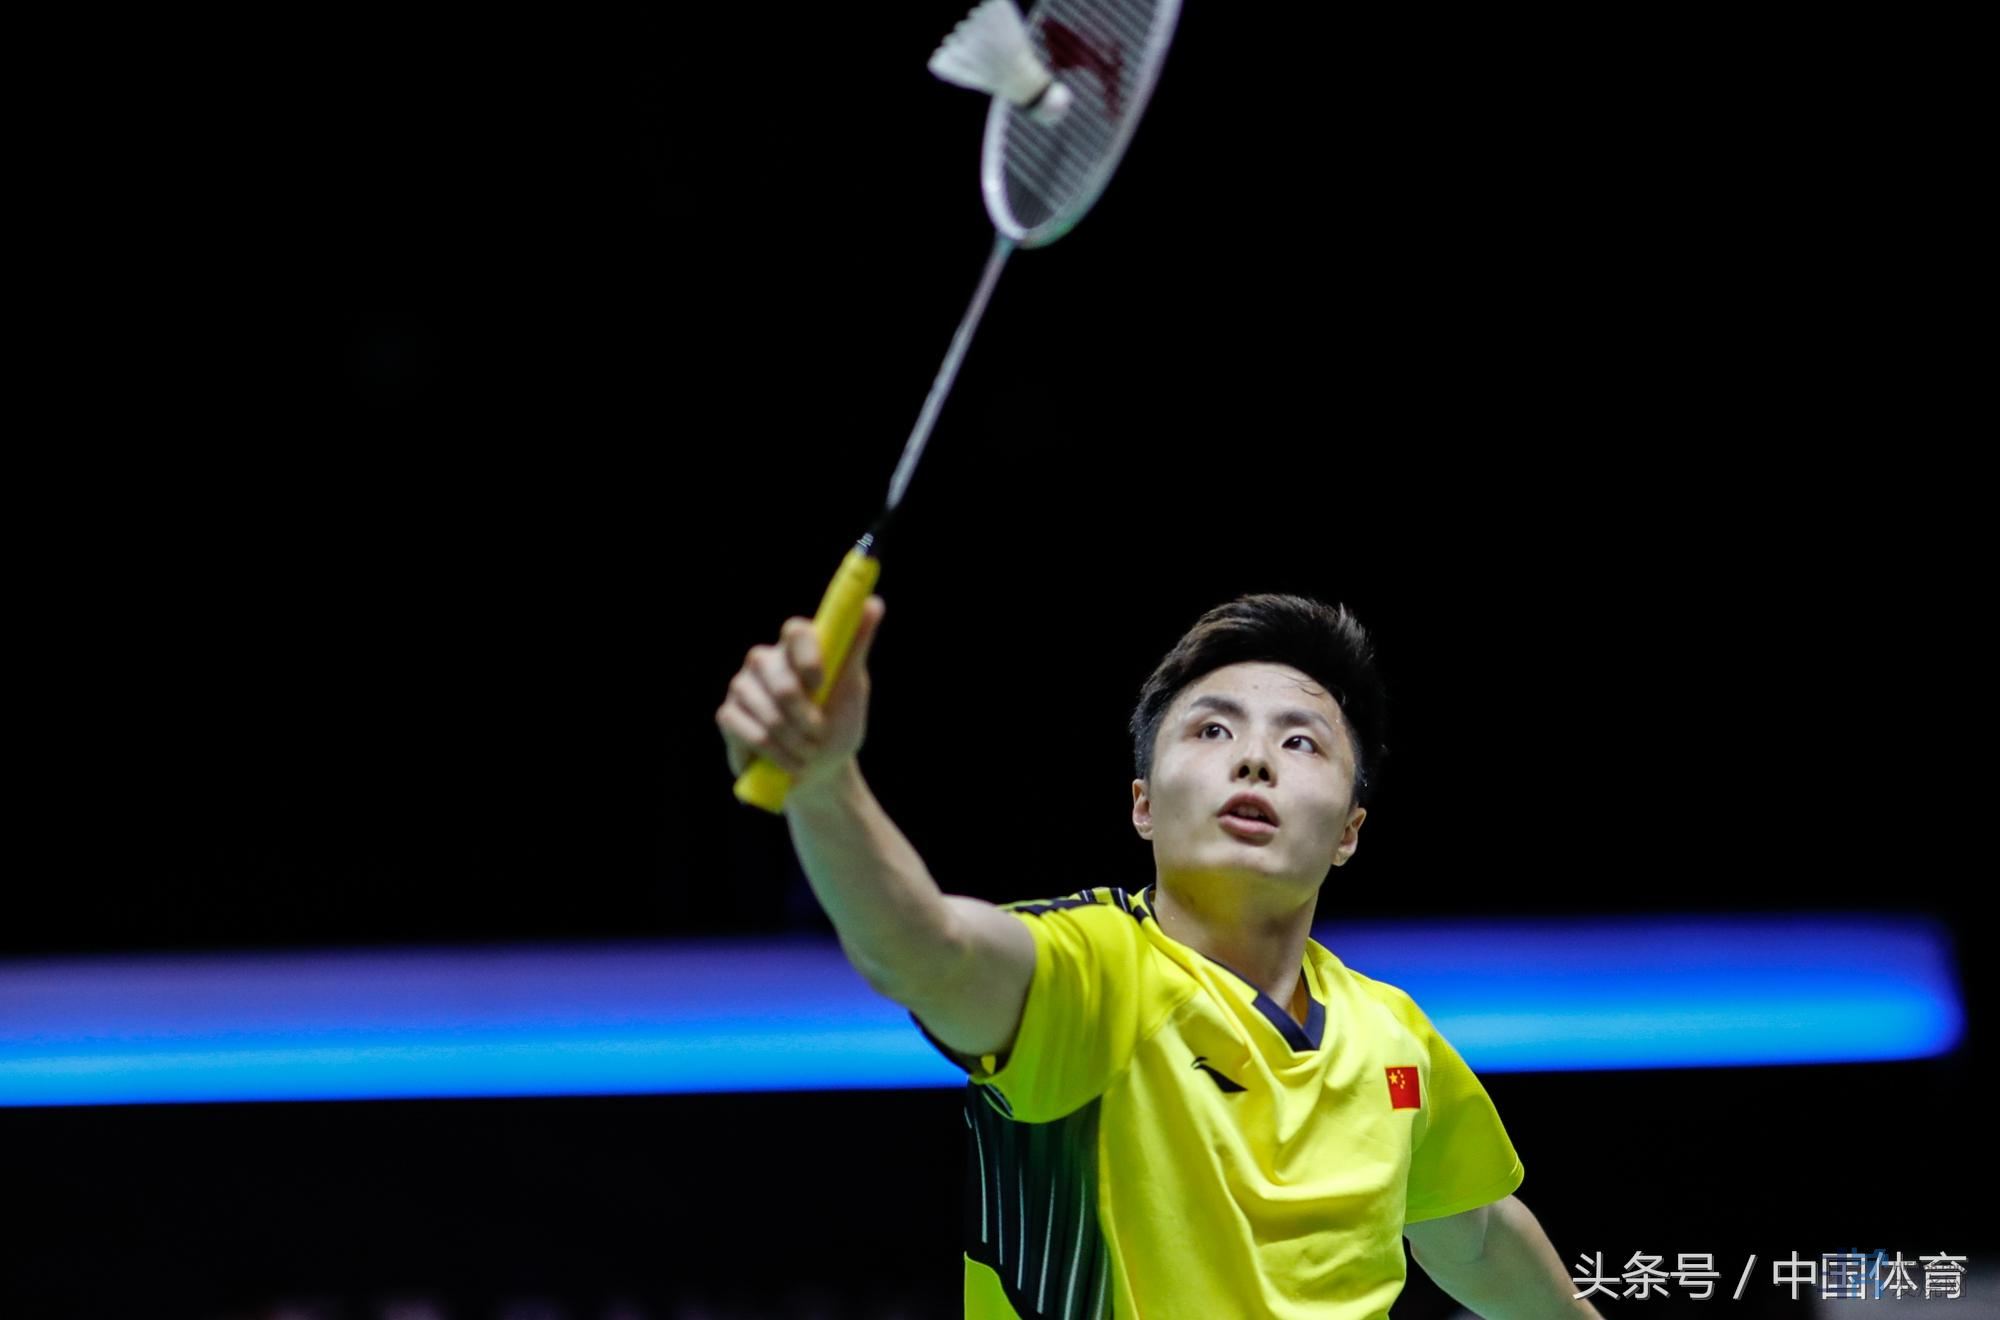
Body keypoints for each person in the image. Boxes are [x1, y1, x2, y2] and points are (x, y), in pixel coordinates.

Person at [717, 591, 1598, 1318]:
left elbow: (1477, 1235)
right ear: (1143, 804)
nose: (1255, 760)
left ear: (1349, 833)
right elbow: (927, 950)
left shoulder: (1392, 1036)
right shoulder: (1097, 976)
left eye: (1301, 742)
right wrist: (825, 786)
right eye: (1212, 731)